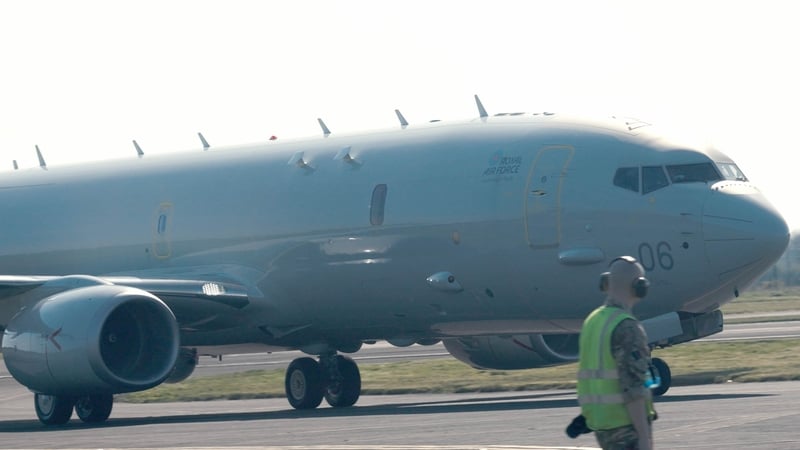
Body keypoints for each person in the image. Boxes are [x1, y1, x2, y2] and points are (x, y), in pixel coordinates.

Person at [576, 256, 657, 450]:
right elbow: (632, 387)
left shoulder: (592, 321)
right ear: (639, 287)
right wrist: (644, 437)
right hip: (626, 429)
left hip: (602, 427)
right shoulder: (627, 327)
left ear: (606, 283)